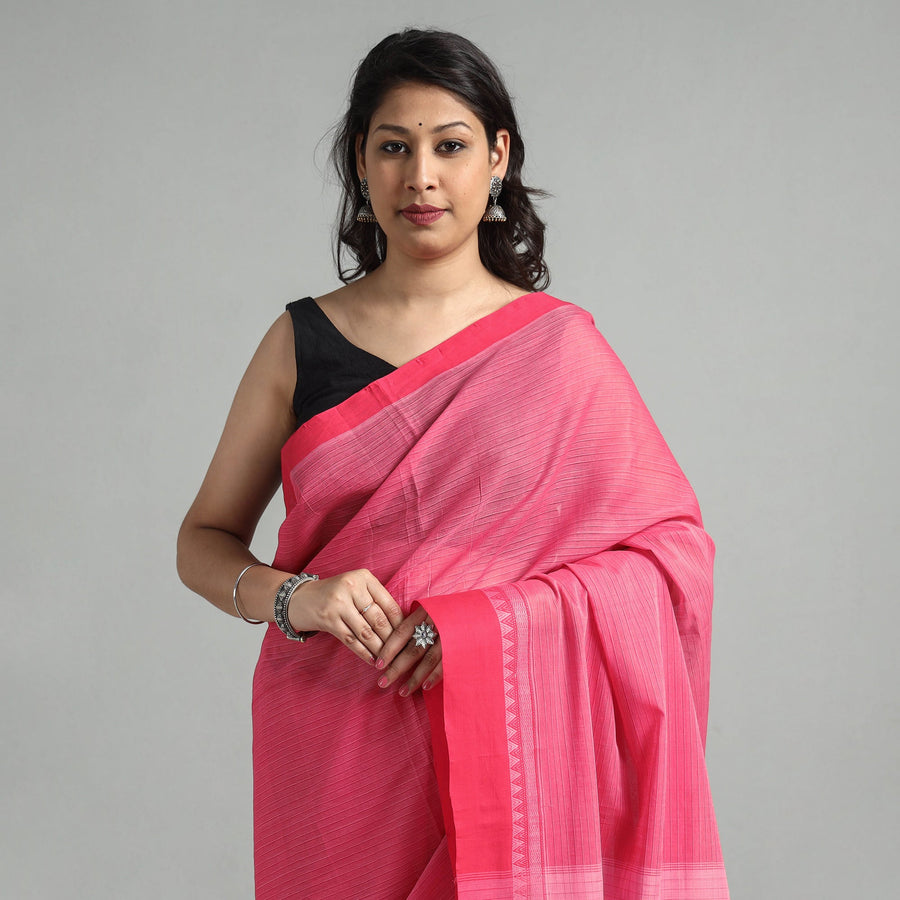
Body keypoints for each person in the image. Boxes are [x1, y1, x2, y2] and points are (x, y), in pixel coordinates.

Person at [177, 28, 729, 900]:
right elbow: (202, 540)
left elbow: (669, 563)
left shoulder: (559, 351)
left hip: (514, 743)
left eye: (450, 146)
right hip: (338, 743)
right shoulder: (298, 342)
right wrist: (296, 597)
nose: (421, 176)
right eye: (394, 147)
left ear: (498, 158)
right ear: (361, 163)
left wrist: (482, 627)